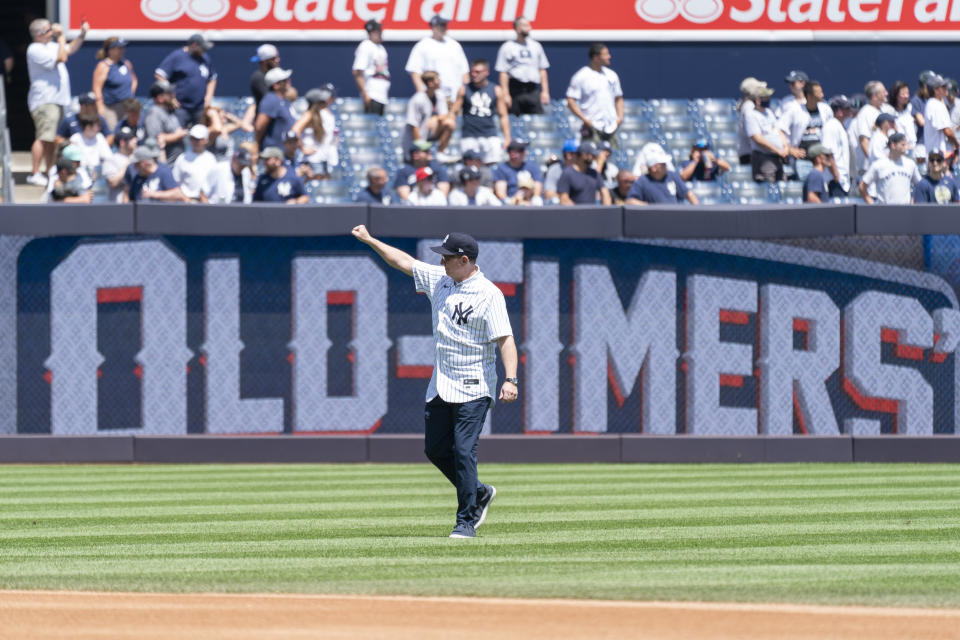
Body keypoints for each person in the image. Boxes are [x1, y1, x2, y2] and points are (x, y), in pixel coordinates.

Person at [350, 227, 517, 538]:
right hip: (441, 383)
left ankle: (466, 521)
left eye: (448, 259)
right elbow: (404, 262)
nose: (442, 263)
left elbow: (505, 339)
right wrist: (371, 241)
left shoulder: (488, 294)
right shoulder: (441, 280)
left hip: (475, 384)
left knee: (465, 451)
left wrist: (511, 379)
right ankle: (479, 492)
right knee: (436, 450)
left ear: (465, 260)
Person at [26, 17, 89, 186]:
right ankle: (34, 173)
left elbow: (70, 49)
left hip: (58, 100)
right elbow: (62, 57)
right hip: (45, 100)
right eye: (49, 31)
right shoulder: (35, 49)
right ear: (39, 34)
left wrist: (82, 35)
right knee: (43, 137)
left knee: (51, 138)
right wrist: (61, 38)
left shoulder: (52, 46)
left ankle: (48, 171)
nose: (52, 33)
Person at [452, 59, 510, 165]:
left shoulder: (496, 89)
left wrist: (507, 138)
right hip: (469, 136)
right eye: (472, 72)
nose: (474, 75)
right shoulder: (464, 89)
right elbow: (453, 112)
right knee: (469, 168)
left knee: (493, 166)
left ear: (486, 72)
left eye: (478, 72)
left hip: (490, 135)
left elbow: (503, 115)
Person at [566, 43, 623, 147]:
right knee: (591, 159)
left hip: (611, 127)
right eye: (605, 54)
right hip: (592, 127)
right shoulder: (581, 76)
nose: (609, 56)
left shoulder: (612, 75)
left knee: (610, 158)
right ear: (596, 57)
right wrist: (585, 120)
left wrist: (620, 118)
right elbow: (570, 101)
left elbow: (618, 98)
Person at [155, 33, 217, 128]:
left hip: (199, 108)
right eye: (202, 48)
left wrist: (208, 98)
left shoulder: (205, 58)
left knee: (200, 137)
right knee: (177, 134)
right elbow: (160, 75)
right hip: (180, 107)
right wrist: (170, 97)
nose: (204, 50)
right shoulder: (177, 56)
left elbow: (212, 78)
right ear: (194, 45)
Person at [405, 15, 469, 105]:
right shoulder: (422, 45)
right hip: (434, 98)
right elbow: (415, 72)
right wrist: (424, 96)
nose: (444, 27)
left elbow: (464, 72)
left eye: (445, 25)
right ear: (433, 27)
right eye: (441, 25)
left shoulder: (454, 45)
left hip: (455, 98)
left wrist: (466, 95)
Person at [495, 16, 550, 115]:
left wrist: (545, 91)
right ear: (517, 28)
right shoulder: (507, 47)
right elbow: (503, 73)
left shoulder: (536, 46)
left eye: (529, 25)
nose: (529, 28)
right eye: (525, 26)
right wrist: (506, 94)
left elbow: (542, 70)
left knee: (536, 120)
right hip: (515, 89)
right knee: (513, 120)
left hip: (532, 89)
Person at [400, 71, 456, 162]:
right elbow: (413, 125)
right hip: (413, 142)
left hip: (430, 134)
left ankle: (440, 153)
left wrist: (437, 118)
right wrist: (419, 147)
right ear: (430, 83)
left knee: (450, 123)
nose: (440, 81)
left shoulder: (440, 95)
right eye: (437, 79)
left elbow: (444, 117)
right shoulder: (417, 99)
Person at [745, 84, 792, 183]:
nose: (768, 99)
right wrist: (778, 151)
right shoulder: (751, 115)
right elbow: (758, 139)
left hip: (777, 158)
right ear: (758, 100)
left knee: (781, 186)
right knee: (768, 186)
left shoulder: (769, 112)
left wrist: (785, 147)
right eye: (766, 97)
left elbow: (778, 130)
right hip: (763, 158)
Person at [858, 132, 921, 204]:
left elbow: (920, 186)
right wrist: (872, 204)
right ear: (893, 145)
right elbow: (862, 187)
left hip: (905, 210)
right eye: (902, 144)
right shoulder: (878, 165)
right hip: (885, 211)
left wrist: (913, 200)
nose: (906, 147)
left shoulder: (910, 164)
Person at [292, 87, 338, 179]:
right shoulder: (309, 114)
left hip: (322, 158)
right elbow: (295, 130)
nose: (325, 102)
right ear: (317, 102)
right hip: (313, 159)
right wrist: (303, 149)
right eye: (322, 100)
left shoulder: (319, 114)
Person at [92, 37, 137, 131]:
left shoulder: (126, 63)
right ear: (110, 50)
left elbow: (134, 80)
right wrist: (100, 107)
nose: (122, 51)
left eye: (123, 48)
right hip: (110, 108)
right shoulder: (103, 66)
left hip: (126, 107)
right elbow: (97, 88)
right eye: (119, 48)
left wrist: (129, 94)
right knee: (112, 133)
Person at [626, 148, 700, 205]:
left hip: (675, 217)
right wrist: (649, 207)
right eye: (663, 164)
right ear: (654, 168)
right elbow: (630, 201)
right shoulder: (642, 181)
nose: (666, 166)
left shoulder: (672, 175)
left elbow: (689, 194)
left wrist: (698, 211)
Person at [144, 80, 188, 163]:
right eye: (169, 93)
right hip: (166, 165)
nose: (173, 95)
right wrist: (176, 136)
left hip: (176, 166)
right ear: (160, 98)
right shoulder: (154, 113)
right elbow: (155, 140)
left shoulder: (170, 111)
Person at [352, 20, 390, 116]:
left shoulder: (381, 48)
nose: (381, 32)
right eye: (378, 30)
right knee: (373, 127)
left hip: (382, 95)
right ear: (371, 32)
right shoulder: (366, 46)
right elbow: (357, 71)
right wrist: (365, 94)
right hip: (372, 94)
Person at [173, 124, 218, 202]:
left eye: (198, 139)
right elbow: (175, 182)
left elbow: (215, 182)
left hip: (207, 202)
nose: (195, 141)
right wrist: (185, 198)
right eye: (193, 138)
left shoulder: (211, 159)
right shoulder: (182, 158)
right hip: (186, 201)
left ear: (205, 140)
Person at [255, 67, 296, 151]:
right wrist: (257, 146)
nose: (289, 82)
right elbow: (259, 127)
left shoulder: (285, 101)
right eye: (285, 80)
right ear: (276, 85)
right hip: (273, 154)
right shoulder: (270, 100)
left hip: (285, 154)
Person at [822, 95, 854, 196]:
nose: (850, 110)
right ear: (839, 111)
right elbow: (827, 152)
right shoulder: (831, 126)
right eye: (847, 108)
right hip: (834, 181)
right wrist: (836, 176)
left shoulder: (840, 126)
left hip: (842, 181)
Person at [923, 75, 959, 163]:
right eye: (943, 87)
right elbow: (947, 131)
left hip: (938, 156)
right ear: (935, 90)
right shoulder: (936, 105)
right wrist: (957, 144)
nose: (946, 88)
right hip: (938, 157)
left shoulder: (933, 104)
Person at [69, 114, 113, 181]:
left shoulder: (99, 137)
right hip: (80, 175)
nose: (99, 128)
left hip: (98, 174)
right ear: (88, 127)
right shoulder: (75, 139)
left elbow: (108, 157)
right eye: (97, 126)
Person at [102, 126, 138, 203]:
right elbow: (113, 182)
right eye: (131, 139)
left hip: (137, 205)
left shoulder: (138, 158)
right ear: (122, 142)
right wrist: (129, 162)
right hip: (118, 206)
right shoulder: (110, 160)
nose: (135, 140)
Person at [737, 77, 766, 165]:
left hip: (752, 154)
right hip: (751, 156)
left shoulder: (748, 106)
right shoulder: (748, 107)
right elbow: (751, 135)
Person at [249, 43, 280, 110]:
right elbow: (270, 100)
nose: (278, 60)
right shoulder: (258, 77)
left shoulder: (276, 75)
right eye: (274, 58)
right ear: (265, 61)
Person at [889, 80, 917, 151]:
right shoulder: (889, 111)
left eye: (907, 93)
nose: (906, 96)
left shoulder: (911, 108)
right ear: (895, 95)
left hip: (914, 148)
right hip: (898, 150)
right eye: (903, 94)